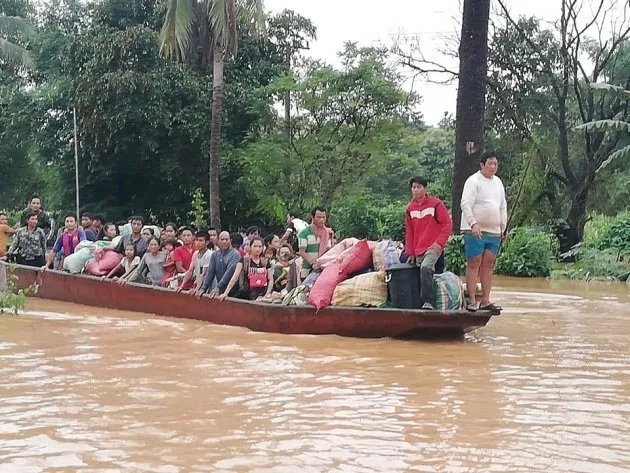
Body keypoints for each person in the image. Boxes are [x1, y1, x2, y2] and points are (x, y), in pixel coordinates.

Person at [460, 151, 508, 312]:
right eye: (490, 163)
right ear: (482, 165)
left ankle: (486, 299)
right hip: (475, 230)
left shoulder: (498, 182)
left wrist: (504, 226)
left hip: (494, 231)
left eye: (495, 164)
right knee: (474, 262)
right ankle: (472, 299)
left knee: (489, 263)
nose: (493, 166)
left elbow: (502, 206)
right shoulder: (473, 181)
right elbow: (465, 204)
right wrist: (473, 224)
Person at [405, 176, 453, 310]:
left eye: (419, 187)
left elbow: (447, 224)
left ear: (425, 189)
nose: (416, 190)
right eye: (414, 187)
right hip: (418, 248)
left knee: (426, 267)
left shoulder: (436, 204)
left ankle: (428, 302)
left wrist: (439, 243)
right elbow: (410, 232)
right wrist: (410, 252)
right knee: (418, 273)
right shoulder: (410, 209)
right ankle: (420, 303)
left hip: (433, 246)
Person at [218, 237, 273, 301]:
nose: (257, 249)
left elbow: (270, 279)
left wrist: (267, 293)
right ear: (250, 247)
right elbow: (235, 277)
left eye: (260, 246)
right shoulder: (244, 260)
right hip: (246, 295)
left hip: (261, 295)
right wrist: (225, 293)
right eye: (255, 246)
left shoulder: (265, 262)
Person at [196, 231, 241, 298]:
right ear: (218, 241)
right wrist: (203, 288)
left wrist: (218, 287)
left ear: (230, 240)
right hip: (221, 289)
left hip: (234, 290)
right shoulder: (215, 254)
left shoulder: (235, 254)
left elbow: (229, 272)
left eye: (226, 239)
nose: (224, 241)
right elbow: (210, 272)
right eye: (222, 239)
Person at [297, 206, 334, 279]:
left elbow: (330, 250)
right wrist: (312, 262)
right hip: (307, 270)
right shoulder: (304, 233)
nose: (321, 220)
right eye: (318, 217)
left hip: (323, 269)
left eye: (323, 217)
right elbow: (302, 252)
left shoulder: (328, 233)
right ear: (313, 217)